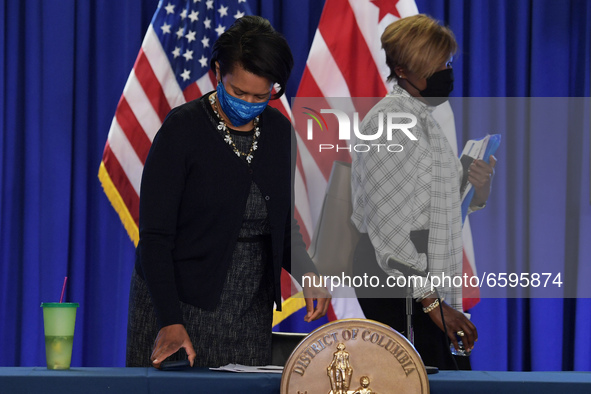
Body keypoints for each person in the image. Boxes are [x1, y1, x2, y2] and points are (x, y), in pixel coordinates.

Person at [126, 16, 330, 368]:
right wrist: (170, 320)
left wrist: (307, 271)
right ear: (218, 73)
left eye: (261, 95)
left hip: (249, 310)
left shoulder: (280, 132)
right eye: (239, 92)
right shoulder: (183, 129)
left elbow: (280, 226)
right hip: (177, 307)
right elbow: (155, 239)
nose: (249, 102)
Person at [351, 14, 496, 370]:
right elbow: (388, 230)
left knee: (444, 374)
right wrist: (432, 304)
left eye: (446, 63)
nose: (445, 72)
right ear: (402, 71)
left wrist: (477, 190)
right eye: (434, 66)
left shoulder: (420, 116)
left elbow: (431, 204)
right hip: (395, 274)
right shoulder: (390, 124)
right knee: (412, 378)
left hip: (423, 271)